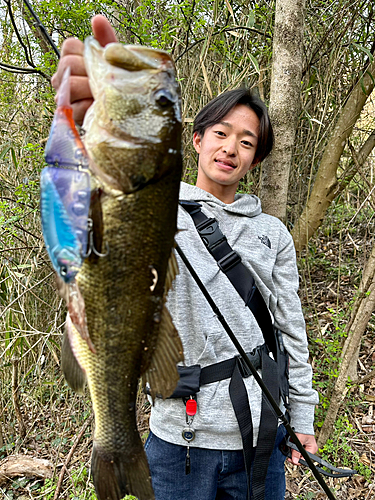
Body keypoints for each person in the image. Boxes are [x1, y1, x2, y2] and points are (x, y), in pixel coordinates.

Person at [52, 15, 319, 500]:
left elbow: (291, 329)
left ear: (256, 159)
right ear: (195, 139)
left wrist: (301, 418)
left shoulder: (272, 234)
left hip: (260, 441)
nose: (231, 148)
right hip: (178, 443)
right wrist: (76, 131)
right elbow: (77, 225)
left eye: (247, 141)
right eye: (221, 133)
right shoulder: (156, 206)